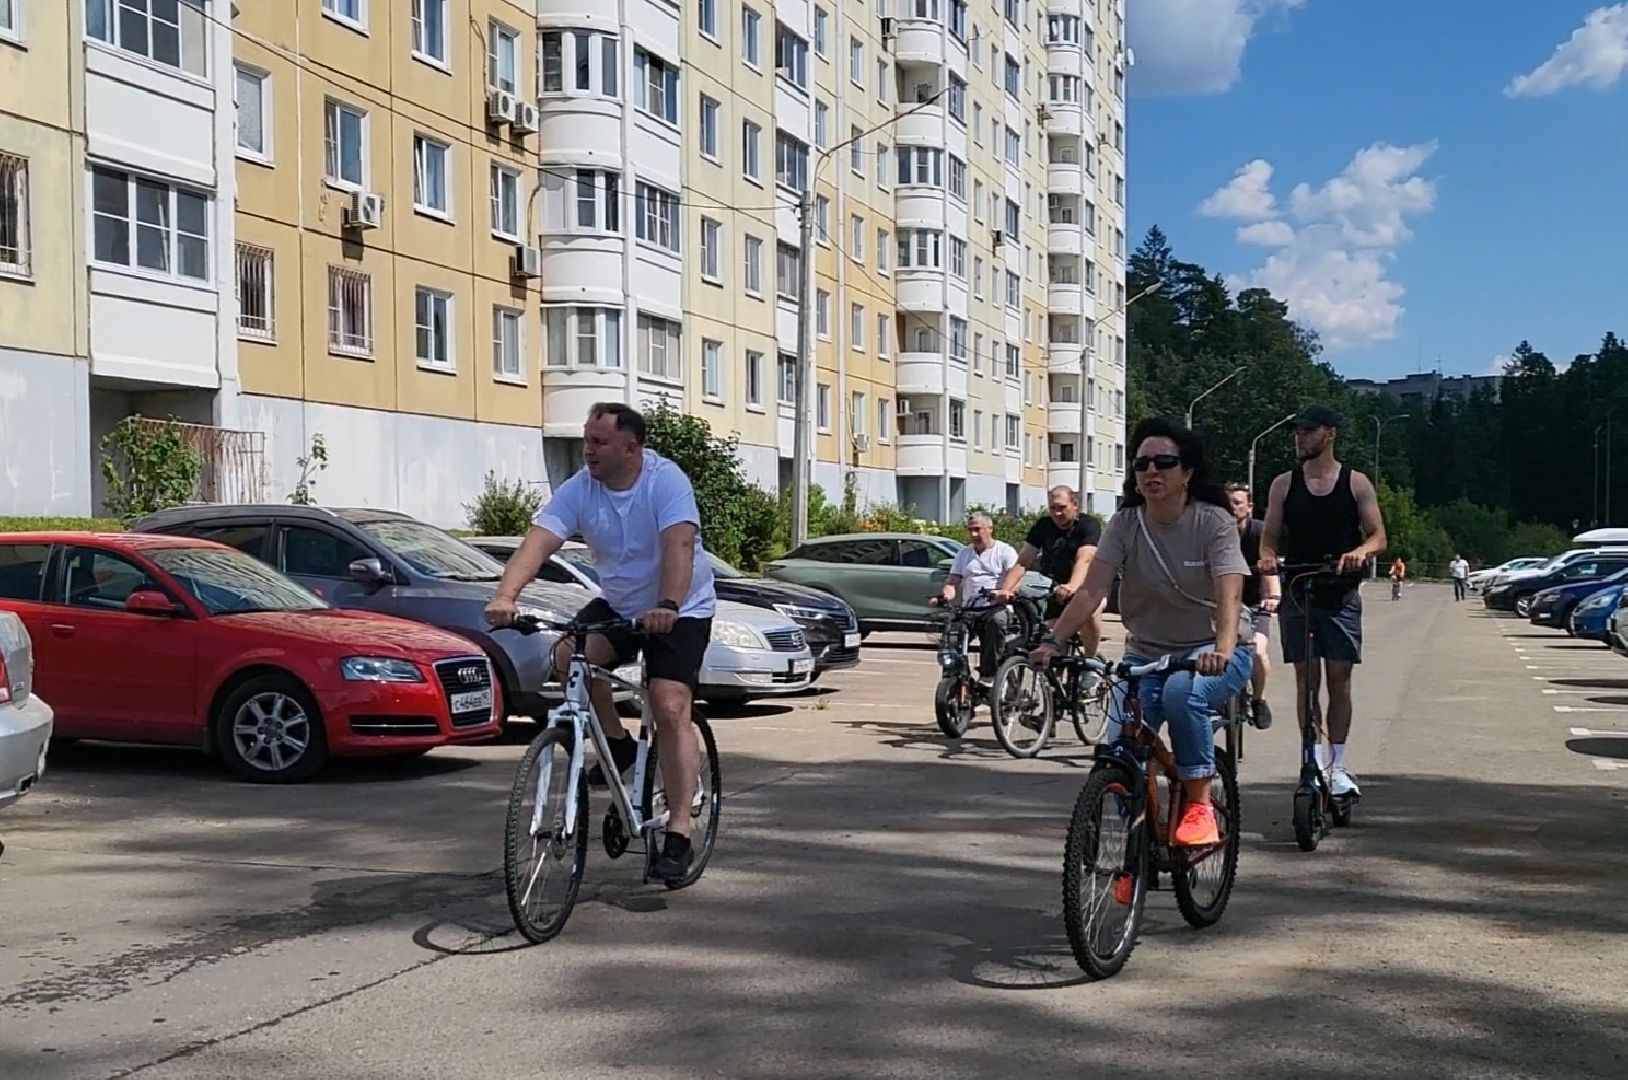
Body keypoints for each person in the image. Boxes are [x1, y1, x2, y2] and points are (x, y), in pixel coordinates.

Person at [484, 402, 716, 883]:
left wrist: (668, 606)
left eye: (599, 442)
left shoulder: (664, 481)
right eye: (587, 440)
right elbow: (537, 542)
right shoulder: (581, 489)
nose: (588, 450)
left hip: (680, 606)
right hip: (620, 601)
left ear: (631, 448)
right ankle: (620, 747)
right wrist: (506, 594)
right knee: (570, 657)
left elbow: (680, 547)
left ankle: (677, 832)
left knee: (669, 704)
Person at [1032, 417, 1253, 848]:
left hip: (1212, 650)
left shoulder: (1214, 522)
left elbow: (1230, 594)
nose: (1151, 471)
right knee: (1123, 744)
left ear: (1187, 471)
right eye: (1142, 464)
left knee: (1181, 694)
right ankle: (1132, 847)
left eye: (1164, 462)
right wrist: (1052, 640)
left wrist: (1223, 650)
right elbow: (1092, 588)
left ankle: (1199, 805)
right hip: (1148, 654)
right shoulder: (1126, 523)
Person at [1258, 404, 1387, 799]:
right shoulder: (1284, 484)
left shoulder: (1355, 482)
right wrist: (1266, 555)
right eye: (1297, 431)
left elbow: (1378, 535)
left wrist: (1361, 552)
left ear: (1329, 434)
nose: (1300, 437)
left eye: (1307, 431)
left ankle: (1338, 765)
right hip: (1299, 587)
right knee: (1305, 678)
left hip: (1341, 591)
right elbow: (1269, 536)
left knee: (1339, 679)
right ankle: (1312, 759)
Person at [993, 486, 1102, 656]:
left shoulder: (1088, 525)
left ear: (1075, 505)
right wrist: (1005, 589)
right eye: (1053, 508)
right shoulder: (1043, 525)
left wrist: (1072, 586)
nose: (1057, 513)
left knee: (1090, 613)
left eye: (1062, 507)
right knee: (1047, 634)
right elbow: (1023, 562)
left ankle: (1090, 661)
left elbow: (1085, 558)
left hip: (1088, 585)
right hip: (1055, 587)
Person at [935, 513, 1020, 683]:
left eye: (977, 530)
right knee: (951, 637)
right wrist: (944, 596)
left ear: (990, 529)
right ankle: (955, 677)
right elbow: (953, 582)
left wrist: (1004, 592)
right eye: (970, 530)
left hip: (995, 608)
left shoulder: (1005, 551)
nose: (974, 534)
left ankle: (989, 675)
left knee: (996, 622)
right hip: (970, 609)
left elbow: (1017, 578)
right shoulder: (964, 554)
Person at [1225, 482, 1278, 730]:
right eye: (1227, 503)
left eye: (1237, 502)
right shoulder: (1216, 533)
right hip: (1223, 604)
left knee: (1257, 650)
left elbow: (1269, 568)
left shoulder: (1258, 533)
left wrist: (1273, 597)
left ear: (1249, 507)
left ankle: (1258, 700)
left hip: (1256, 603)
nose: (1232, 508)